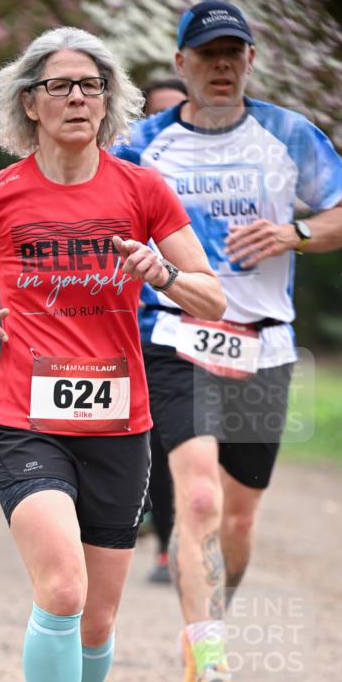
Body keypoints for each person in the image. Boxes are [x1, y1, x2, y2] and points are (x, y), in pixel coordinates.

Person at [0, 26, 224, 682]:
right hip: (23, 418)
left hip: (118, 424)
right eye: (61, 85)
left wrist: (162, 273)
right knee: (61, 590)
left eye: (92, 87)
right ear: (28, 102)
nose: (78, 98)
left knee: (98, 621)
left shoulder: (143, 192)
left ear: (108, 106)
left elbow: (209, 297)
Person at [114, 0, 342, 682]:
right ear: (181, 63)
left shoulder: (290, 135)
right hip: (174, 336)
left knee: (240, 514)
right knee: (195, 501)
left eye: (233, 53)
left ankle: (207, 624)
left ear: (249, 61)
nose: (221, 66)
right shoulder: (141, 145)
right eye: (206, 54)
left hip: (263, 345)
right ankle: (208, 662)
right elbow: (101, 221)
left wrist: (293, 232)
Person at [141, 78, 188, 584]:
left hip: (219, 327)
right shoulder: (132, 171)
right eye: (157, 115)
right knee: (162, 439)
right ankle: (164, 541)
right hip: (150, 329)